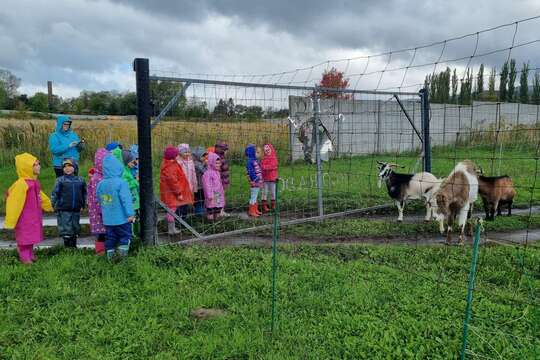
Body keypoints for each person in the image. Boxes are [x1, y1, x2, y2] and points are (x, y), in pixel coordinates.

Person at [4, 153, 53, 263]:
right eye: (35, 165)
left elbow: (41, 196)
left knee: (32, 234)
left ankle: (30, 253)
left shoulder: (34, 183)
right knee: (25, 236)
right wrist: (11, 220)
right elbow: (14, 202)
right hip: (24, 216)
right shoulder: (21, 184)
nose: (38, 166)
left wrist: (49, 204)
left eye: (38, 164)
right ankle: (24, 256)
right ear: (26, 168)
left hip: (33, 215)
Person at [96, 154, 135, 260]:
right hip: (122, 218)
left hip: (108, 219)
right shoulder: (121, 183)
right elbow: (126, 200)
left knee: (110, 238)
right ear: (119, 167)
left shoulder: (100, 184)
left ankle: (111, 258)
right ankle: (122, 258)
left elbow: (99, 199)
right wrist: (130, 214)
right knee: (125, 236)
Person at [51, 159, 87, 248]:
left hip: (76, 209)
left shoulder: (80, 180)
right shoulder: (60, 180)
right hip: (64, 209)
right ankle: (68, 247)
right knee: (66, 228)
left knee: (75, 227)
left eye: (70, 166)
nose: (67, 168)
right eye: (65, 167)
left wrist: (84, 204)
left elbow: (84, 193)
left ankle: (74, 246)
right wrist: (52, 205)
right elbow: (54, 193)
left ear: (75, 167)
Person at [160, 146, 194, 234]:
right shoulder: (170, 167)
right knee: (171, 210)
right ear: (174, 156)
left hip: (171, 192)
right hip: (172, 193)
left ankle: (172, 227)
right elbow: (173, 181)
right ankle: (171, 229)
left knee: (172, 209)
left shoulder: (169, 164)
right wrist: (178, 193)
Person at [87, 148, 109, 255]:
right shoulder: (97, 178)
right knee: (101, 233)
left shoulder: (102, 176)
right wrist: (104, 209)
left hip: (104, 210)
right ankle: (100, 252)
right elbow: (97, 197)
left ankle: (105, 250)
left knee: (105, 232)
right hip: (99, 212)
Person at [202, 152, 225, 221]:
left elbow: (219, 183)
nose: (218, 165)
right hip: (211, 195)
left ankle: (217, 221)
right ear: (211, 162)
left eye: (219, 163)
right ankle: (210, 222)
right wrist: (209, 195)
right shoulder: (207, 173)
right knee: (210, 209)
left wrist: (221, 191)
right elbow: (207, 185)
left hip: (218, 194)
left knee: (217, 208)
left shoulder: (217, 172)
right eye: (216, 163)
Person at [245, 144, 263, 217]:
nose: (258, 154)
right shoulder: (250, 161)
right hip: (254, 181)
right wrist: (255, 178)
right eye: (256, 152)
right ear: (251, 153)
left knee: (256, 195)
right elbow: (251, 171)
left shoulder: (254, 160)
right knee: (253, 196)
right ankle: (251, 211)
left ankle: (255, 210)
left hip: (257, 181)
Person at [260, 143, 279, 212]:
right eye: (265, 150)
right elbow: (262, 166)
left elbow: (273, 166)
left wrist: (266, 167)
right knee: (264, 192)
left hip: (272, 178)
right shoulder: (263, 158)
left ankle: (273, 205)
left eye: (268, 150)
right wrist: (267, 167)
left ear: (271, 149)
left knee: (273, 192)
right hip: (265, 178)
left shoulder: (274, 157)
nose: (267, 151)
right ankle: (264, 206)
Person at [191, 146, 207, 215]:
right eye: (203, 156)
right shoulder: (196, 164)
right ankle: (199, 213)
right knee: (199, 199)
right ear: (198, 156)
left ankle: (200, 210)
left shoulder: (197, 163)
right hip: (199, 186)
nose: (204, 158)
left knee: (200, 199)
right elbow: (204, 171)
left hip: (200, 185)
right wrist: (206, 165)